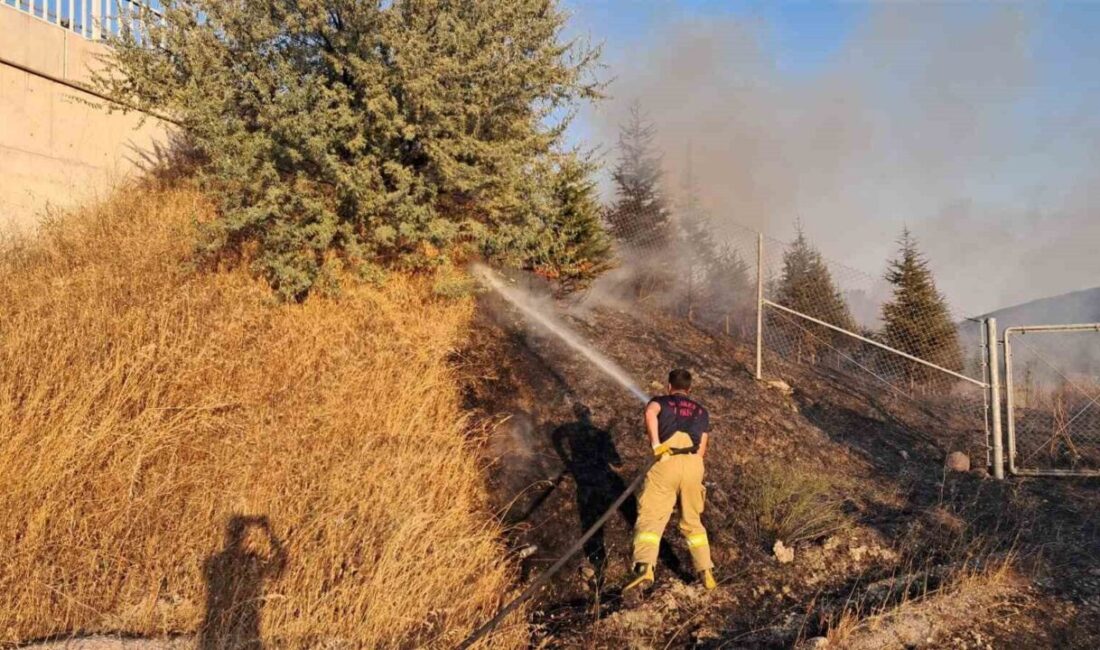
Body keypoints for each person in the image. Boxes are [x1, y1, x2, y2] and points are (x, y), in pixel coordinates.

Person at [624, 368, 716, 598]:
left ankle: (645, 568)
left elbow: (650, 413)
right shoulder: (701, 411)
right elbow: (702, 448)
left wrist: (656, 445)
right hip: (694, 465)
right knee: (693, 521)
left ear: (669, 386)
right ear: (689, 389)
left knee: (652, 517)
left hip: (666, 462)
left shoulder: (660, 401)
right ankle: (706, 571)